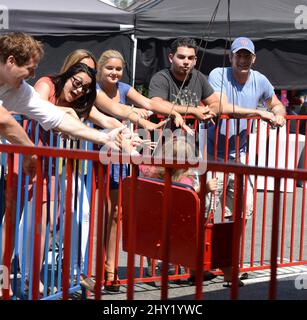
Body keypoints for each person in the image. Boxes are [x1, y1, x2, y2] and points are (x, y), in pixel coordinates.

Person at [0, 32, 133, 298]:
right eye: (29, 69)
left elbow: (56, 119)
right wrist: (30, 152)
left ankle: (5, 283)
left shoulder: (18, 89)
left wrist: (104, 136)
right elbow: (6, 121)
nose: (32, 76)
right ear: (11, 61)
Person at [207, 36, 286, 286]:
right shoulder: (218, 74)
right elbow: (222, 107)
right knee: (205, 210)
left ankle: (229, 263)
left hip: (238, 155)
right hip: (211, 153)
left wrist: (278, 114)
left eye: (246, 56)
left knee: (244, 209)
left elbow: (276, 103)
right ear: (231, 57)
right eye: (237, 55)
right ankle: (196, 264)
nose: (242, 60)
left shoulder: (259, 79)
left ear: (253, 58)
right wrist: (260, 112)